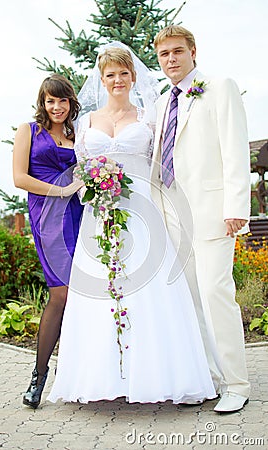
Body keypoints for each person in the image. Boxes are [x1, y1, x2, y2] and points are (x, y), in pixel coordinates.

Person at [47, 42, 217, 405]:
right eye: (111, 74)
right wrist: (94, 187)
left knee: (150, 291)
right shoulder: (86, 122)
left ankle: (159, 376)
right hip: (100, 216)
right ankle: (102, 379)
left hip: (143, 214)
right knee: (101, 292)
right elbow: (80, 169)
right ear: (101, 79)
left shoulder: (148, 117)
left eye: (124, 73)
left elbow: (167, 157)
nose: (118, 79)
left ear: (133, 76)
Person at [151, 25, 250, 413]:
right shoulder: (162, 103)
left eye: (178, 51)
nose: (171, 59)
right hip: (174, 217)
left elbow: (234, 147)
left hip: (213, 213)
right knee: (190, 300)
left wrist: (236, 208)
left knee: (215, 294)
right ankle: (207, 378)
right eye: (164, 54)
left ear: (193, 51)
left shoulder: (219, 86)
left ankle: (237, 382)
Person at [13, 74, 84, 409]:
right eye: (50, 100)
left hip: (81, 217)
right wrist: (61, 190)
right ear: (42, 102)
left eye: (62, 100)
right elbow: (19, 178)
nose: (56, 107)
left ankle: (78, 375)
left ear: (71, 103)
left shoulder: (77, 134)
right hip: (48, 219)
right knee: (61, 293)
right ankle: (38, 378)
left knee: (85, 296)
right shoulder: (29, 131)